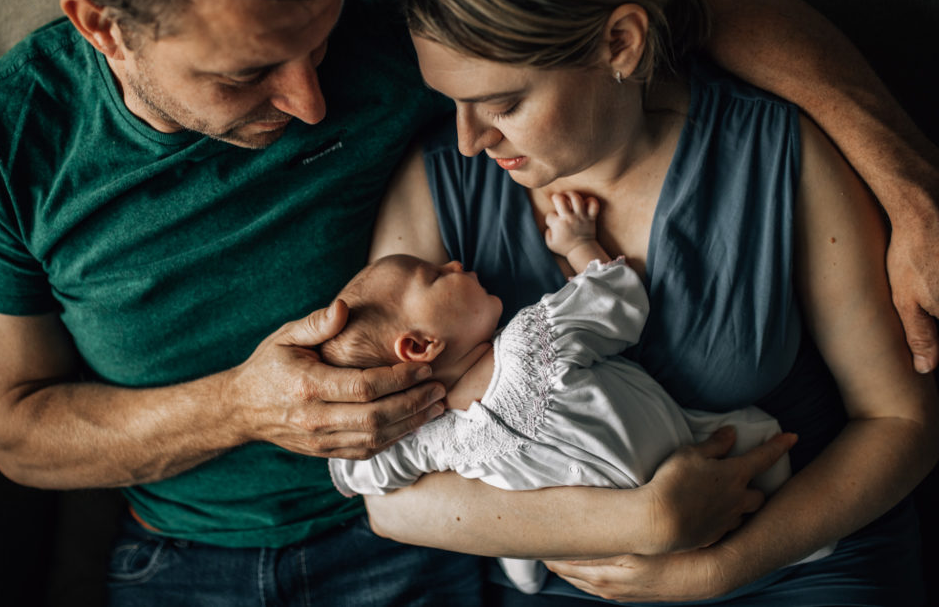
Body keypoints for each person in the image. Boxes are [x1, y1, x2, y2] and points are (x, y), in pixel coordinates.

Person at [0, 0, 937, 604]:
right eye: (247, 73)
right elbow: (19, 434)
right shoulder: (8, 135)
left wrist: (904, 177)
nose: (310, 101)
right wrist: (244, 407)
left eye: (320, 48)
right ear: (101, 26)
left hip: (434, 551)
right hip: (187, 553)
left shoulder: (393, 9)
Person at [358, 0, 939, 604]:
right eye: (450, 102)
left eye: (504, 104)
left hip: (799, 555)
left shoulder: (774, 156)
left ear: (620, 43)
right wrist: (642, 525)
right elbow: (389, 499)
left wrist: (713, 568)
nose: (469, 140)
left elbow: (902, 423)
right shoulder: (438, 187)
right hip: (574, 579)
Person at [323, 191, 830, 594]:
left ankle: (790, 544)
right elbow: (362, 469)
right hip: (595, 542)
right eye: (434, 276)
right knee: (514, 532)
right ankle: (529, 562)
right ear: (420, 345)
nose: (454, 264)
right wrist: (353, 414)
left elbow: (618, 296)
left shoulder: (536, 338)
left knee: (752, 442)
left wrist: (578, 246)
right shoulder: (430, 436)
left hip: (683, 454)